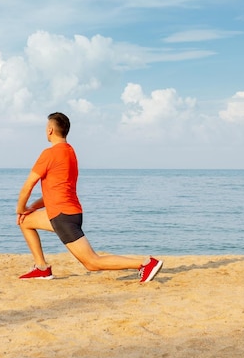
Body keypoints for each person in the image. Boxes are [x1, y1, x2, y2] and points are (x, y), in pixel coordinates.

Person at [16, 112, 163, 283]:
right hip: (67, 212)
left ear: (50, 130)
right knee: (26, 222)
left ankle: (145, 263)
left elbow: (27, 187)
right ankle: (41, 268)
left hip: (62, 216)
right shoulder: (70, 153)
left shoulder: (49, 154)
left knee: (92, 262)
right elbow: (56, 190)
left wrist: (20, 209)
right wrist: (31, 209)